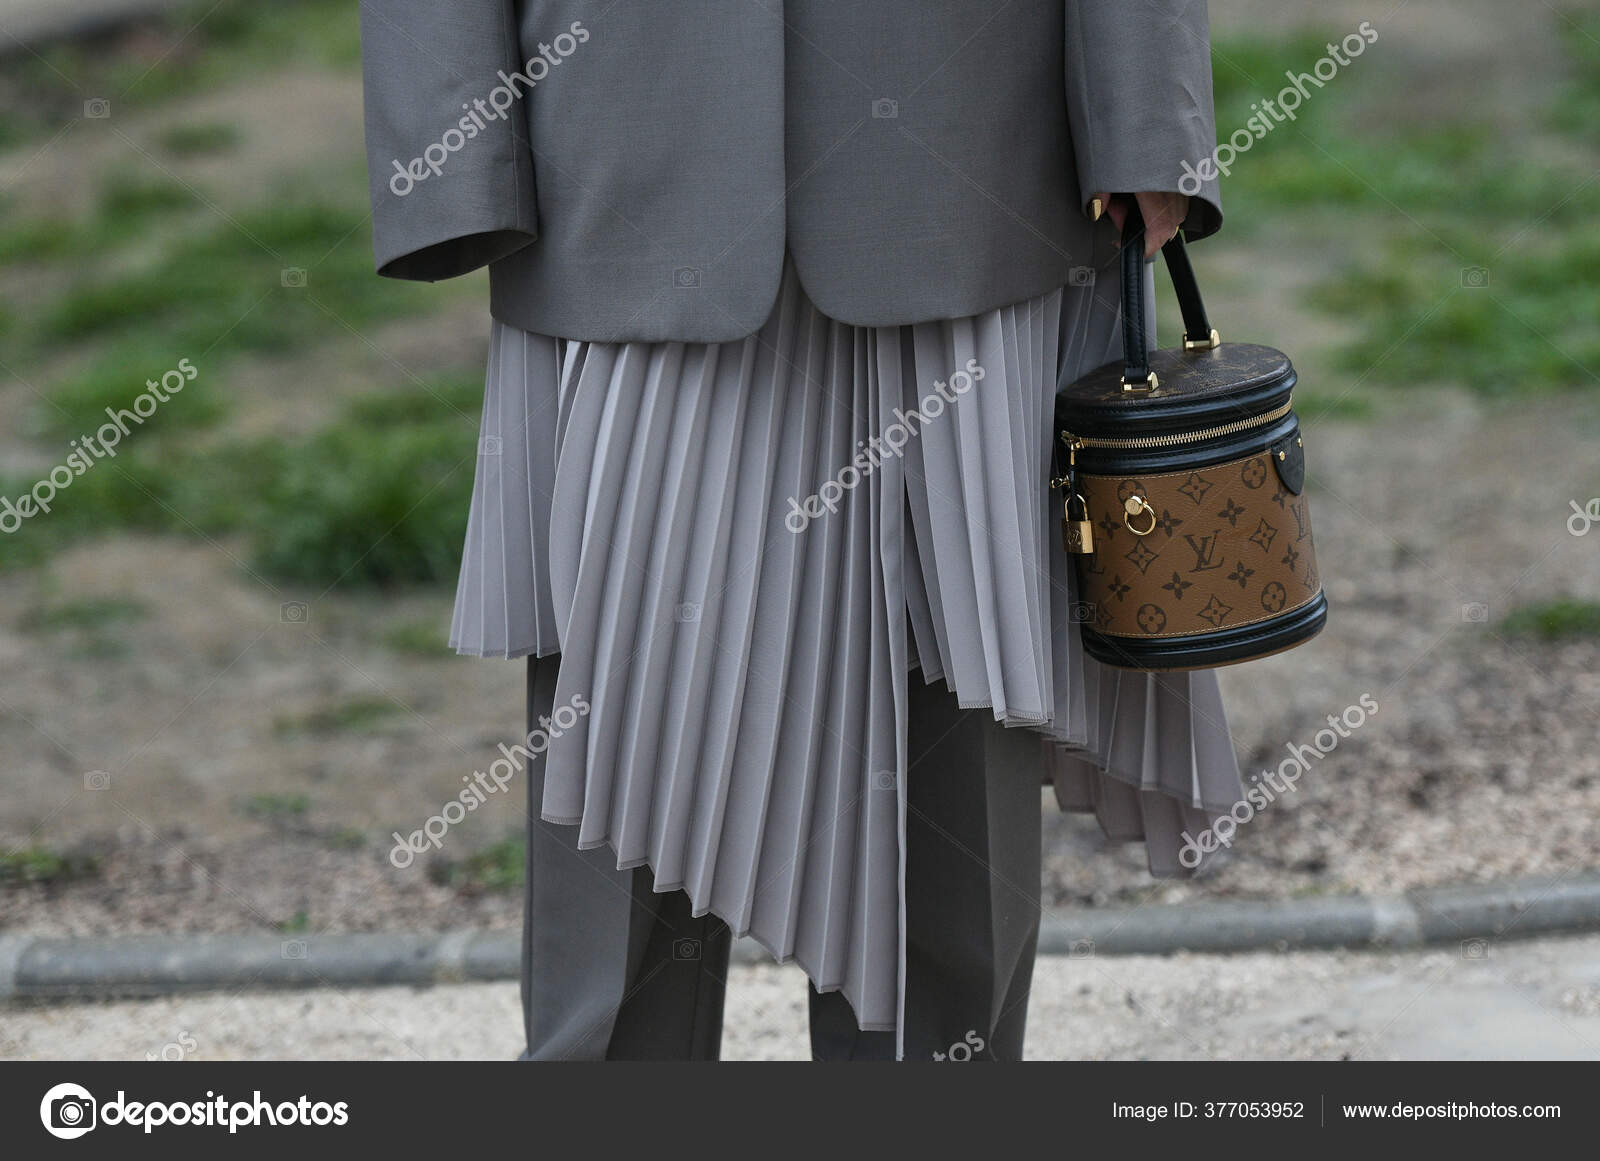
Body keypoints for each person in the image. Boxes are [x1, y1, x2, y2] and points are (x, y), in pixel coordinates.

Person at [360, 0, 1242, 1061]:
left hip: (972, 157)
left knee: (952, 705)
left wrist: (1149, 115)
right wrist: (451, 154)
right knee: (626, 719)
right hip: (620, 155)